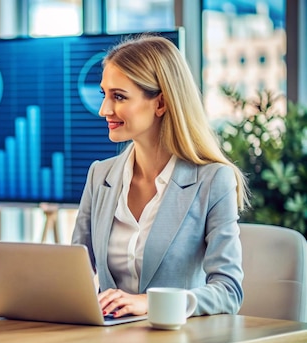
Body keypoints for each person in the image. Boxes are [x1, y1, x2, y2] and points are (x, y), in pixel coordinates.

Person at [71, 34, 248, 318]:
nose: (104, 110)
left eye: (119, 96)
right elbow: (74, 274)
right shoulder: (99, 175)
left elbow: (228, 292)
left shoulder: (214, 180)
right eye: (105, 95)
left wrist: (150, 303)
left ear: (161, 103)